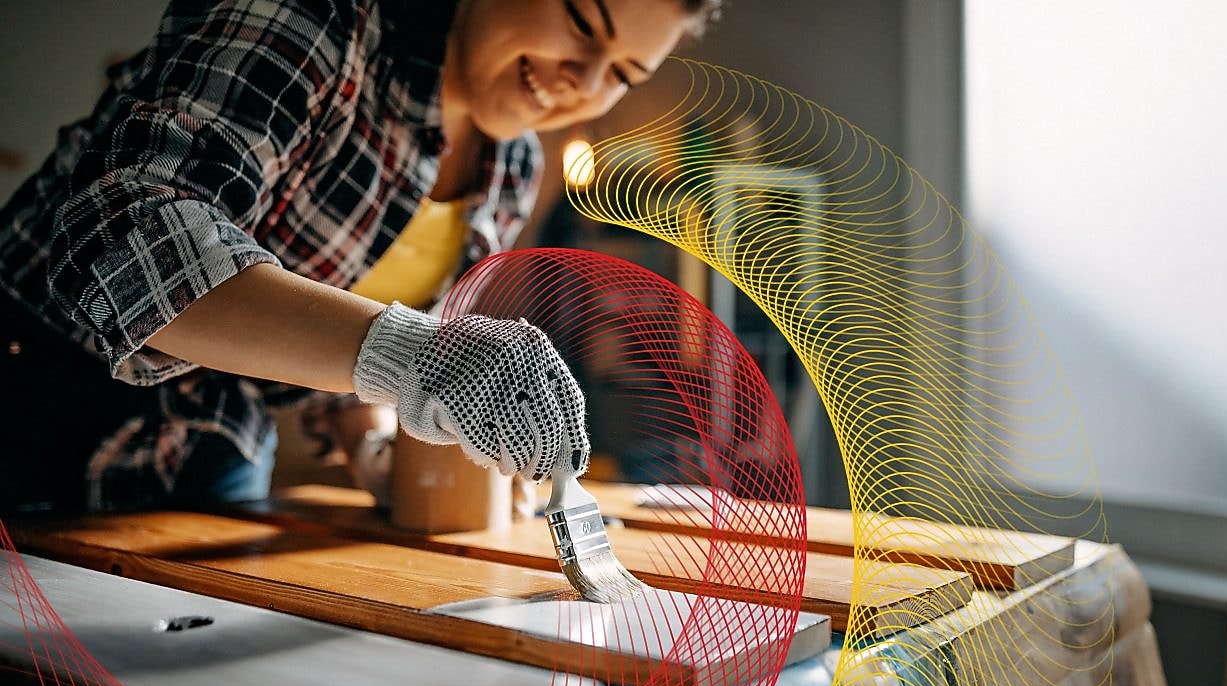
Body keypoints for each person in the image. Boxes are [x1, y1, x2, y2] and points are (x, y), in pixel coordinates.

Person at [0, 0, 720, 513]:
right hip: (35, 402)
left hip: (214, 452)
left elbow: (339, 359)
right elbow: (121, 238)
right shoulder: (321, 21)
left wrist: (375, 447)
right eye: (582, 20)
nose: (587, 81)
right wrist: (417, 355)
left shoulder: (510, 171)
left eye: (623, 71)